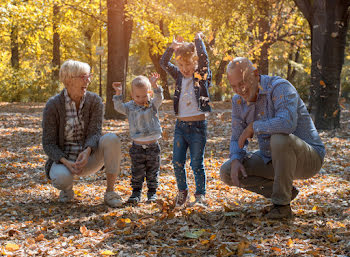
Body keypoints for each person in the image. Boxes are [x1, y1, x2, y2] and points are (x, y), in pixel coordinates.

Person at [220, 57, 326, 219]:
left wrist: (253, 126)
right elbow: (237, 137)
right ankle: (285, 191)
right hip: (271, 158)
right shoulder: (238, 101)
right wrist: (236, 159)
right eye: (234, 86)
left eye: (242, 83)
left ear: (255, 74)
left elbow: (287, 123)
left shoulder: (280, 88)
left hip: (308, 158)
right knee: (227, 171)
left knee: (279, 138)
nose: (239, 90)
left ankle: (281, 206)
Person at [42, 60, 123, 207]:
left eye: (89, 76)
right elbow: (48, 143)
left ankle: (110, 191)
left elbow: (95, 132)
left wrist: (87, 151)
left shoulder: (95, 101)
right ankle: (67, 189)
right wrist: (65, 161)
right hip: (64, 161)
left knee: (112, 139)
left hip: (89, 157)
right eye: (83, 77)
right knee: (61, 179)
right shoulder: (53, 105)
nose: (88, 80)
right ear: (68, 80)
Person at [160, 33, 212, 207]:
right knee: (177, 162)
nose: (185, 68)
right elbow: (163, 63)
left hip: (198, 126)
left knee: (197, 163)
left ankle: (200, 196)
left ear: (195, 62)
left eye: (188, 64)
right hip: (180, 127)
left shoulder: (201, 77)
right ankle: (182, 192)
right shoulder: (179, 77)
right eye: (181, 64)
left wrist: (198, 41)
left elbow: (205, 60)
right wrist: (171, 48)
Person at [112, 73, 163, 204]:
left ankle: (152, 193)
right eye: (137, 96)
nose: (141, 99)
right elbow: (118, 107)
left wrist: (155, 85)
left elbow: (159, 97)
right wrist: (118, 93)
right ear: (132, 95)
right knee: (137, 171)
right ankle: (136, 193)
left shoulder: (152, 105)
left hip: (152, 146)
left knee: (153, 171)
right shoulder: (129, 107)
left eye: (144, 95)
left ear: (149, 93)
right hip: (137, 146)